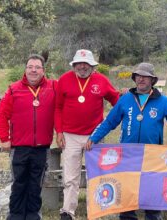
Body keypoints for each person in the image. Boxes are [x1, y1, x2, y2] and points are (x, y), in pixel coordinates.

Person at [86, 62, 167, 220]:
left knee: (153, 196)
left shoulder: (163, 101)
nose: (141, 79)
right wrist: (93, 138)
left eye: (145, 77)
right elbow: (109, 122)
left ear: (152, 80)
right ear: (134, 78)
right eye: (138, 76)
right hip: (128, 156)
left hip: (152, 157)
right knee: (128, 198)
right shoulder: (125, 100)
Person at [55, 49, 120, 220]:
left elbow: (116, 101)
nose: (82, 67)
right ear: (74, 65)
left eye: (86, 64)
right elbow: (58, 107)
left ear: (92, 66)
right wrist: (59, 131)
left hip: (95, 135)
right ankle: (68, 212)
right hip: (70, 135)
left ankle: (96, 210)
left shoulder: (101, 80)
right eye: (79, 63)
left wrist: (109, 124)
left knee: (97, 175)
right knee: (70, 175)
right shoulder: (64, 80)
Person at [0, 54, 57, 220]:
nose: (33, 70)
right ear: (25, 69)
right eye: (30, 67)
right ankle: (15, 216)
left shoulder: (53, 87)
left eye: (37, 67)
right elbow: (2, 114)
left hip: (42, 147)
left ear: (43, 71)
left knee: (36, 185)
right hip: (19, 147)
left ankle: (32, 216)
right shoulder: (14, 89)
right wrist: (4, 138)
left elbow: (69, 96)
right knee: (19, 184)